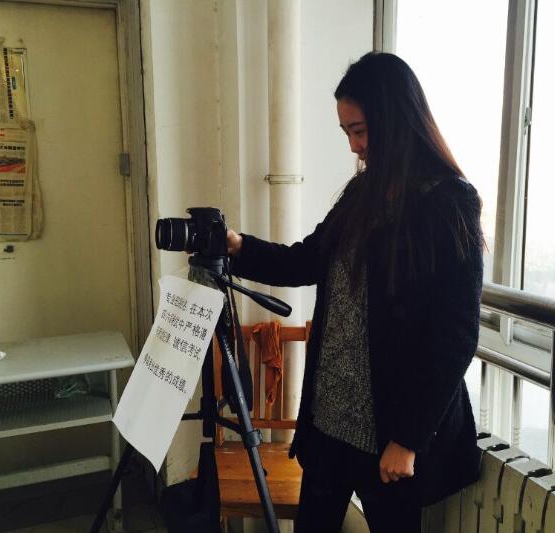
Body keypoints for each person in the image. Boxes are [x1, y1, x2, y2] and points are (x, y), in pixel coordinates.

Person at [227, 52, 484, 532]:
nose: (354, 146)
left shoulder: (449, 202)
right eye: (346, 132)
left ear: (396, 119)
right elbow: (305, 259)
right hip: (328, 422)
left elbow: (457, 335)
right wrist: (238, 247)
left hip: (388, 436)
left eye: (360, 130)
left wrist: (408, 439)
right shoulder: (361, 194)